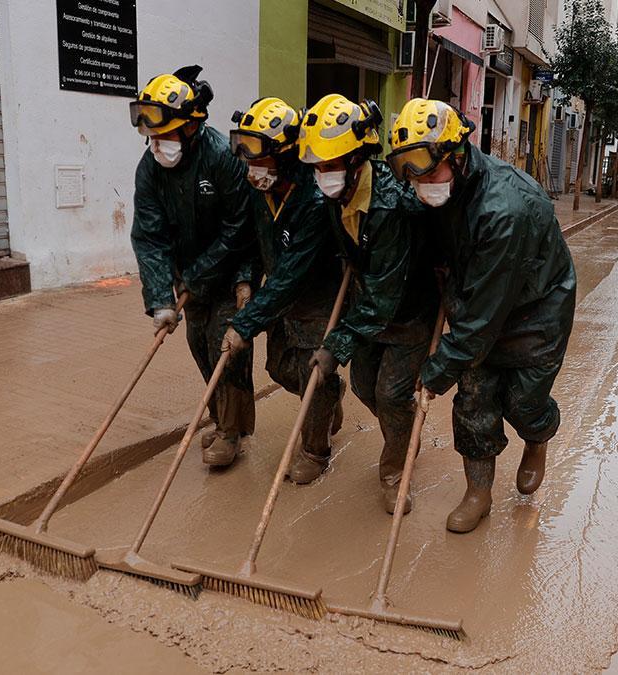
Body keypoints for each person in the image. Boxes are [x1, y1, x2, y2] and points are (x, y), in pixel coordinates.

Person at [386, 99, 576, 534]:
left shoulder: (505, 209)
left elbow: (481, 322)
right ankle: (479, 492)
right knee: (473, 401)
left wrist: (436, 371)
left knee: (521, 401)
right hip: (477, 298)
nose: (418, 184)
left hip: (536, 310)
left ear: (455, 155)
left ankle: (538, 434)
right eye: (408, 172)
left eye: (426, 171)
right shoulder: (439, 187)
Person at [300, 94, 439, 513]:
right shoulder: (335, 195)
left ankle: (395, 470)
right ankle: (406, 430)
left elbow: (384, 297)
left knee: (391, 394)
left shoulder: (390, 204)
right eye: (317, 166)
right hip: (369, 308)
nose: (322, 174)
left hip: (408, 311)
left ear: (356, 159)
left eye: (330, 164)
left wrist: (334, 346)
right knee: (363, 386)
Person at [129, 65, 258, 466]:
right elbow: (149, 236)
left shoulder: (222, 157)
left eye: (165, 134)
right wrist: (160, 299)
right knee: (201, 349)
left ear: (190, 127)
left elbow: (241, 226)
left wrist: (207, 276)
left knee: (228, 351)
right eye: (151, 135)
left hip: (231, 272)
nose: (156, 143)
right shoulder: (150, 168)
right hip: (190, 279)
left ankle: (231, 433)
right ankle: (220, 420)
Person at [220, 97, 346, 477]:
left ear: (286, 154)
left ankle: (314, 452)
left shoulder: (312, 198)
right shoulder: (261, 189)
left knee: (313, 372)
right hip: (279, 298)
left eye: (257, 153)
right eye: (244, 151)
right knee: (278, 367)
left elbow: (294, 273)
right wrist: (245, 281)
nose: (249, 164)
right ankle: (329, 397)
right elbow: (251, 243)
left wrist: (244, 325)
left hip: (316, 296)